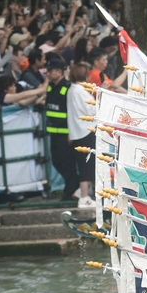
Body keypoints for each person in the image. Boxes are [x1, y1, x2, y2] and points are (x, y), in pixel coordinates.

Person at [43, 53, 79, 203]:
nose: (47, 73)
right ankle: (74, 185)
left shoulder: (67, 88)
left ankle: (70, 191)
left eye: (50, 71)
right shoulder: (51, 86)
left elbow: (72, 111)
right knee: (57, 162)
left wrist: (71, 132)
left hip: (65, 134)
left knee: (67, 164)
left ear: (59, 72)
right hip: (54, 133)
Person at [67, 62, 96, 208]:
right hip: (86, 130)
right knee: (87, 166)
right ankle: (84, 197)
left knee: (84, 164)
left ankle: (81, 192)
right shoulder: (81, 92)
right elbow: (90, 110)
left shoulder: (72, 90)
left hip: (77, 131)